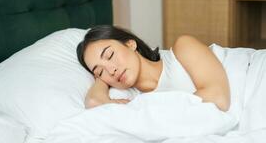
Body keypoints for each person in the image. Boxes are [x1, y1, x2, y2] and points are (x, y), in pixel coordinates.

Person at [76, 25, 230, 111]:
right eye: (100, 71)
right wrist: (101, 80)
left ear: (130, 44)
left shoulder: (183, 47)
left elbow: (218, 98)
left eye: (109, 55)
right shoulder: (128, 97)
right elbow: (94, 102)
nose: (111, 70)